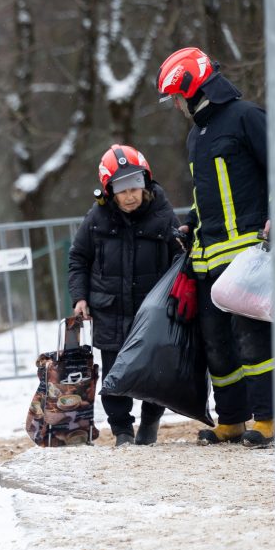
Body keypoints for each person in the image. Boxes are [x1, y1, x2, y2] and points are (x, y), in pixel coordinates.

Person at [156, 47, 275, 447]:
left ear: (191, 87)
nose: (175, 105)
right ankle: (231, 420)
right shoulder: (197, 135)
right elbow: (205, 193)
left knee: (252, 339)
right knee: (217, 345)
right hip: (208, 257)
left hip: (245, 254)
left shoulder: (246, 117)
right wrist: (190, 222)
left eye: (175, 96)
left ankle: (269, 419)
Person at [68, 144, 182, 446]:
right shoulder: (96, 219)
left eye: (135, 185)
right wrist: (80, 297)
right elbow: (78, 258)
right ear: (108, 190)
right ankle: (121, 431)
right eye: (121, 188)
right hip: (110, 310)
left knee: (155, 371)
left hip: (153, 311)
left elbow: (179, 258)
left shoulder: (163, 215)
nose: (130, 195)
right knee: (114, 374)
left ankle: (150, 421)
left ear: (146, 182)